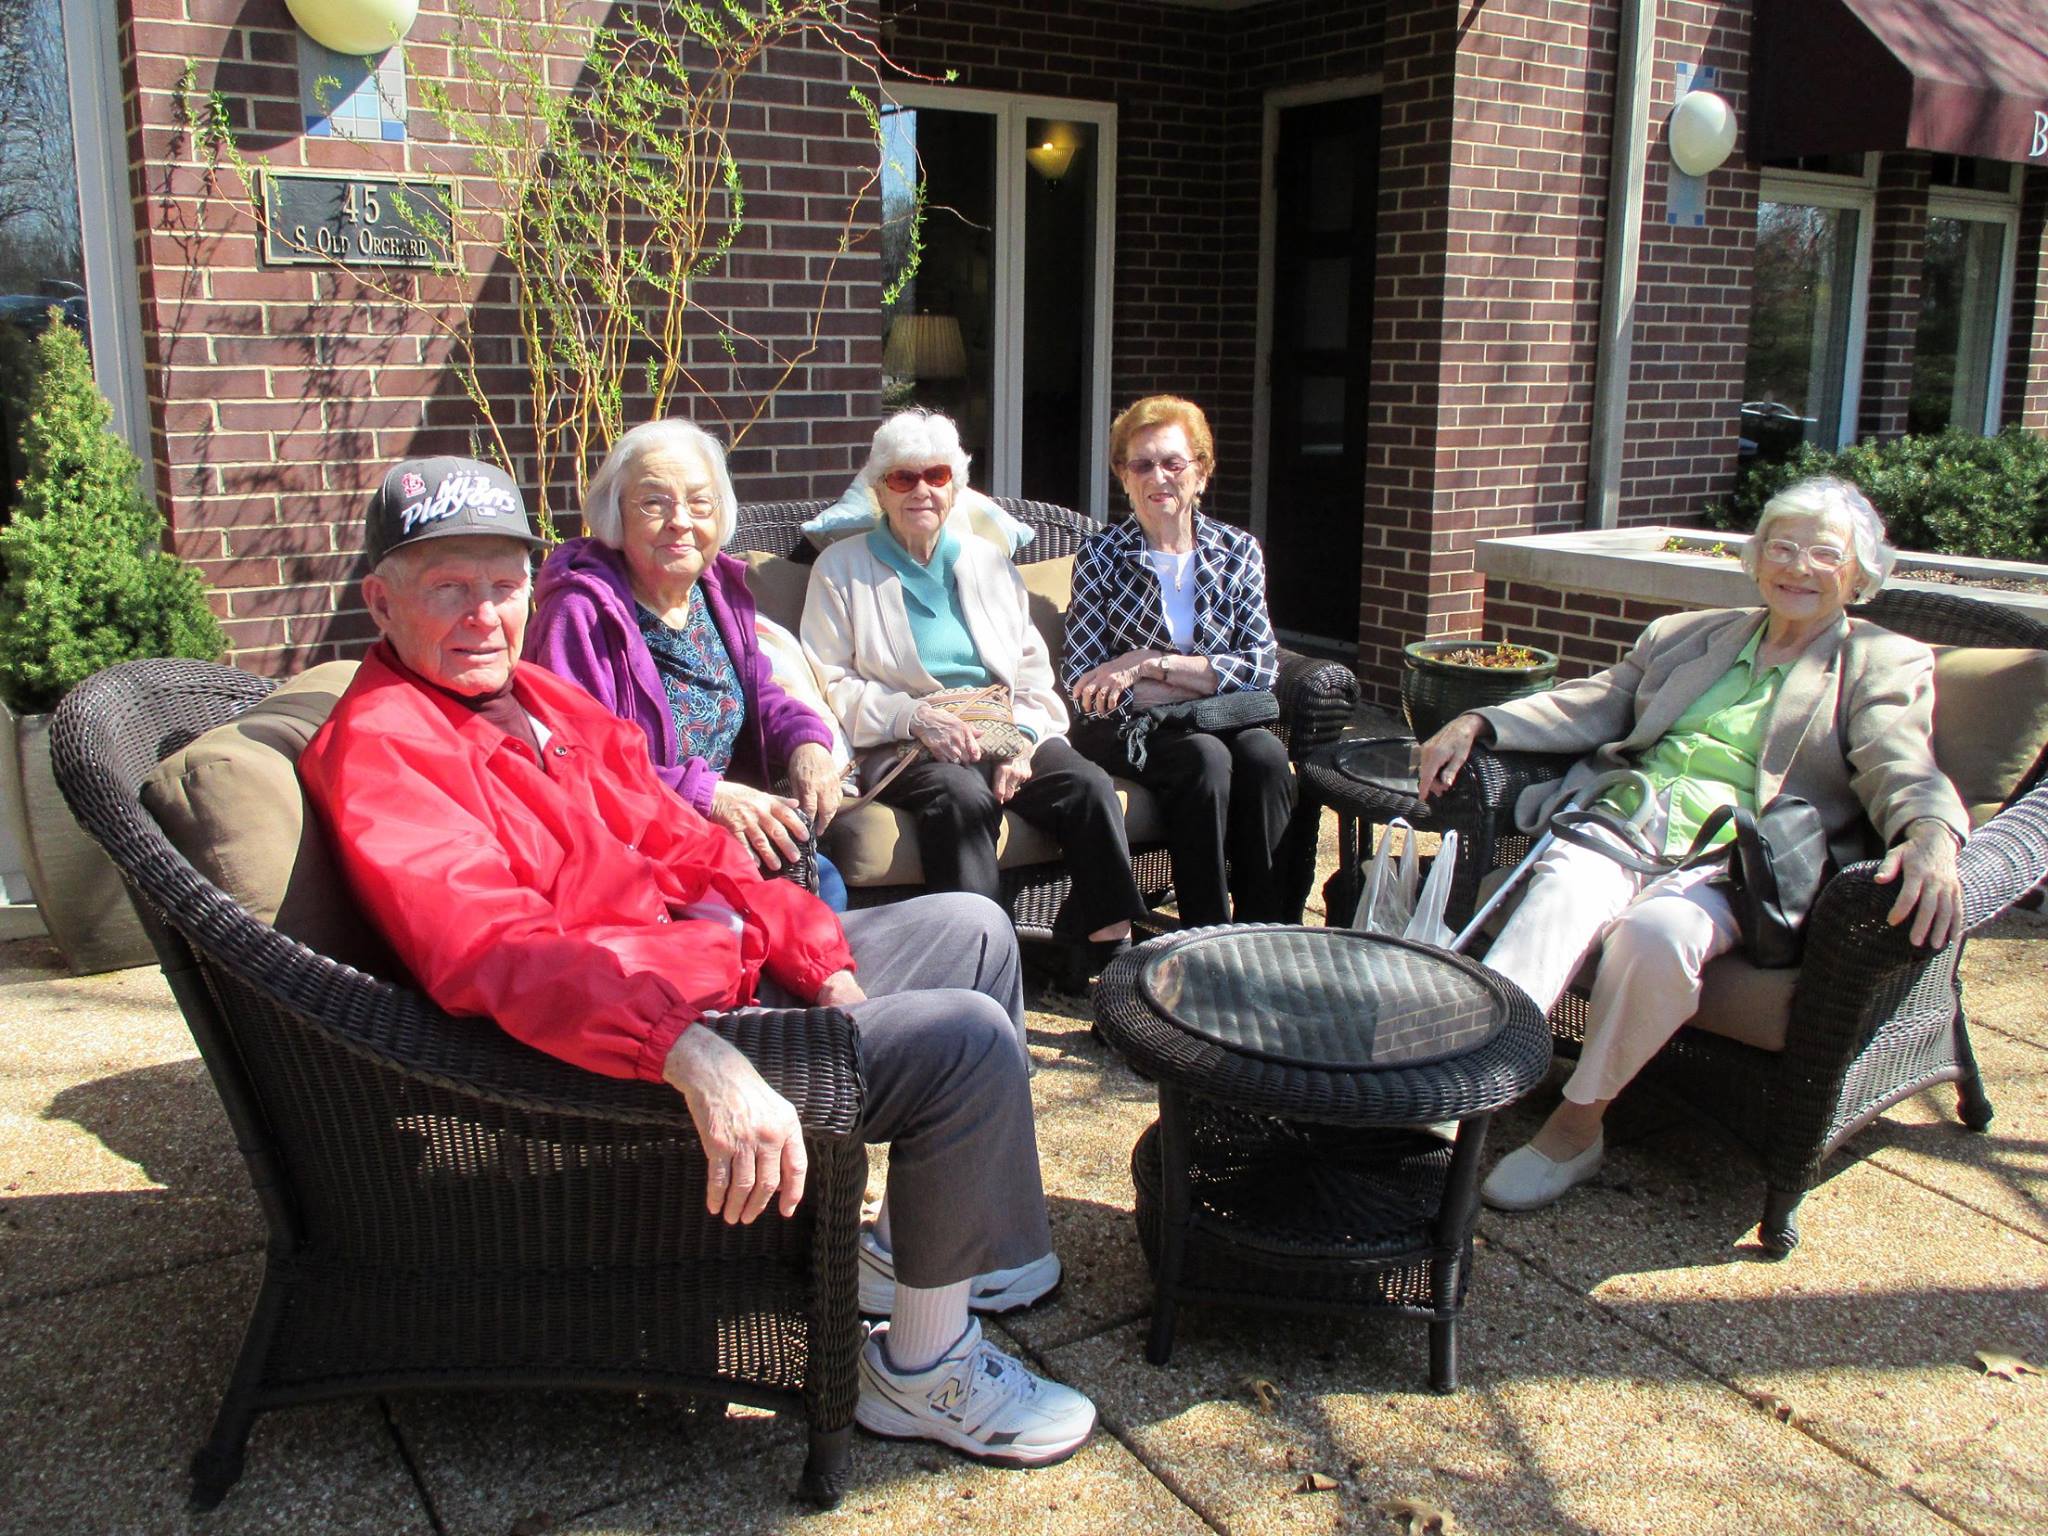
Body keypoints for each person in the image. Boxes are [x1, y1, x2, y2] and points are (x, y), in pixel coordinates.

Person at [300, 456, 1096, 1466]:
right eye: (445, 587)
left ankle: (903, 1263)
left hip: (699, 978)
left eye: (503, 586)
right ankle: (919, 1371)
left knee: (972, 933)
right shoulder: (384, 748)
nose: (482, 616)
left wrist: (821, 962)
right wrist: (684, 1049)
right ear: (380, 599)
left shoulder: (541, 699)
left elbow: (692, 849)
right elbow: (491, 947)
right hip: (607, 1053)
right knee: (964, 1043)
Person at [1415, 476, 1968, 1212]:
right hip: (1626, 821)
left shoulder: (1880, 662)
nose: (1797, 566)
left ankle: (1575, 1130)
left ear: (1859, 572)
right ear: (1757, 557)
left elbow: (1902, 764)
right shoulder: (1687, 636)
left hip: (1735, 859)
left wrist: (1931, 833)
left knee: (1657, 935)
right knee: (1560, 893)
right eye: (1782, 546)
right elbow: (1601, 702)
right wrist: (1482, 722)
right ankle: (1465, 1092)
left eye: (1823, 553)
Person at [802, 410, 1148, 966]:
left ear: (955, 487)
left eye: (936, 476)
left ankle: (1106, 960)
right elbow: (829, 680)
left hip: (1004, 726)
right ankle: (982, 961)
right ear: (880, 491)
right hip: (907, 740)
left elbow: (1034, 673)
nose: (921, 490)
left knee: (1087, 787)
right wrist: (912, 717)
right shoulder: (842, 570)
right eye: (902, 478)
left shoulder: (988, 563)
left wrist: (1027, 741)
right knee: (961, 797)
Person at [526, 419, 848, 909]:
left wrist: (807, 742)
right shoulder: (580, 613)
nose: (680, 520)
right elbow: (575, 763)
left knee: (820, 882)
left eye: (700, 502)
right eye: (654, 502)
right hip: (639, 853)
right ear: (616, 515)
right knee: (805, 899)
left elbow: (760, 694)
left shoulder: (713, 591)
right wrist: (708, 796)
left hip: (722, 836)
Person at [1061, 394, 1294, 927]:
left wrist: (1148, 664)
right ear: (1123, 476)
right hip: (1131, 730)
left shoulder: (1238, 551)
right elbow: (1083, 681)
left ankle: (1265, 930)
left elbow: (1262, 666)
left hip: (1219, 720)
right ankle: (1203, 935)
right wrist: (1207, 675)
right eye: (1141, 464)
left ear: (1201, 473)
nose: (1158, 477)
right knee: (1205, 759)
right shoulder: (1101, 556)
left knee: (1265, 757)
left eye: (1173, 462)